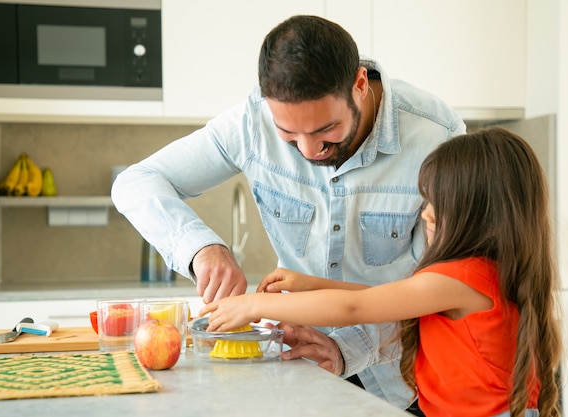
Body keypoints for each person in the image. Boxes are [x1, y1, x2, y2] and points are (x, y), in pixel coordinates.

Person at [111, 15, 465, 410]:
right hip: (296, 372)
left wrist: (346, 347)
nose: (310, 150)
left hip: (406, 385)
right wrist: (202, 248)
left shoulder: (438, 136)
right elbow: (137, 181)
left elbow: (442, 296)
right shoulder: (251, 123)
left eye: (326, 130)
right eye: (289, 136)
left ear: (360, 84)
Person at [200, 127, 563, 417]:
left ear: (483, 215)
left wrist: (251, 306)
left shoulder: (465, 278)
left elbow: (357, 309)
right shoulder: (476, 275)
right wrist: (310, 284)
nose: (427, 214)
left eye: (439, 204)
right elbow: (391, 299)